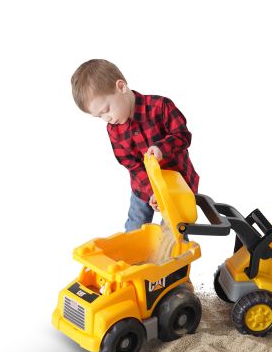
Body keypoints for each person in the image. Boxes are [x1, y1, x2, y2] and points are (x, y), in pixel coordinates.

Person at [71, 59, 199, 231]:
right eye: (99, 116)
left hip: (178, 185)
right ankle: (134, 249)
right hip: (144, 187)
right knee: (135, 226)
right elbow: (132, 165)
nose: (106, 118)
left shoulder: (160, 106)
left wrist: (161, 148)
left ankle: (174, 247)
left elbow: (183, 136)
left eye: (106, 110)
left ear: (121, 87)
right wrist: (152, 192)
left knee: (174, 231)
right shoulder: (113, 129)